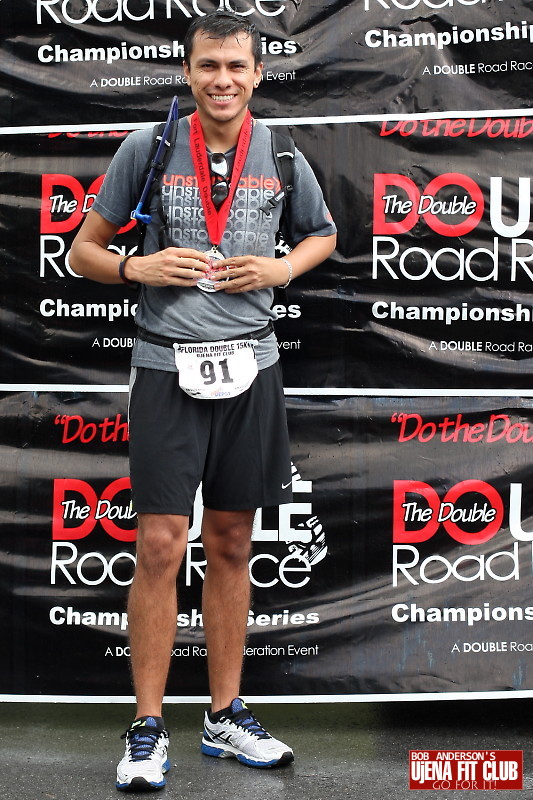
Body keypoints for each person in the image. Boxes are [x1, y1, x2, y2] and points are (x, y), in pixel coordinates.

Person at [70, 9, 336, 793]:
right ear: (187, 73)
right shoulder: (148, 146)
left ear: (257, 76)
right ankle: (148, 727)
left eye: (235, 67)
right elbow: (84, 252)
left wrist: (282, 269)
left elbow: (321, 234)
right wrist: (135, 269)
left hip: (251, 366)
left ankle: (224, 716)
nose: (222, 79)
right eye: (208, 66)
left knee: (230, 542)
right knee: (160, 543)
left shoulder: (280, 151)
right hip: (165, 366)